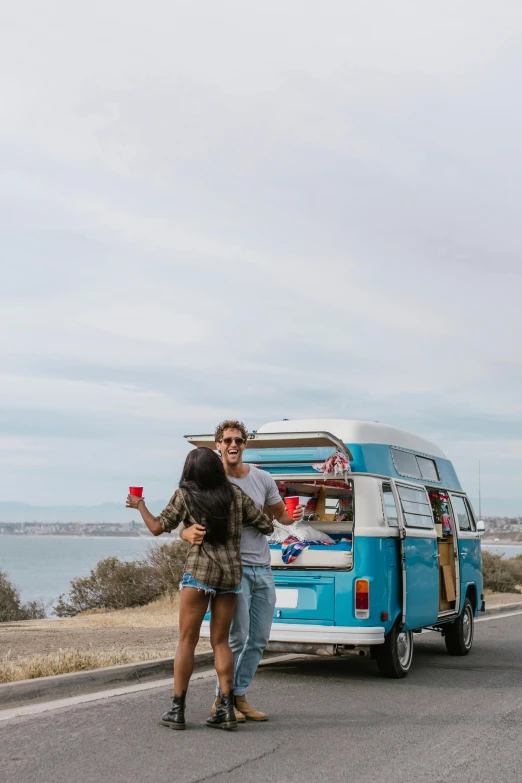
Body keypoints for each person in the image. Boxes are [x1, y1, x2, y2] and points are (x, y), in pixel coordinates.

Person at [126, 446, 273, 731]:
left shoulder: (185, 495)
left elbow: (158, 528)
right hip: (230, 577)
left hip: (200, 575)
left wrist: (139, 504)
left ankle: (177, 711)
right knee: (221, 642)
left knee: (187, 641)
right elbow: (266, 525)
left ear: (190, 471)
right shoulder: (235, 494)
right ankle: (226, 711)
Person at [180, 420, 303, 722]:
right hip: (232, 570)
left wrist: (294, 516)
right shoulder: (209, 478)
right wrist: (187, 535)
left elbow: (280, 518)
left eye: (238, 440)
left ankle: (239, 696)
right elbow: (183, 523)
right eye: (227, 440)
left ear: (245, 444)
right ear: (218, 445)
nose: (233, 445)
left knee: (259, 638)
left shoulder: (263, 478)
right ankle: (221, 701)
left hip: (262, 566)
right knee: (237, 638)